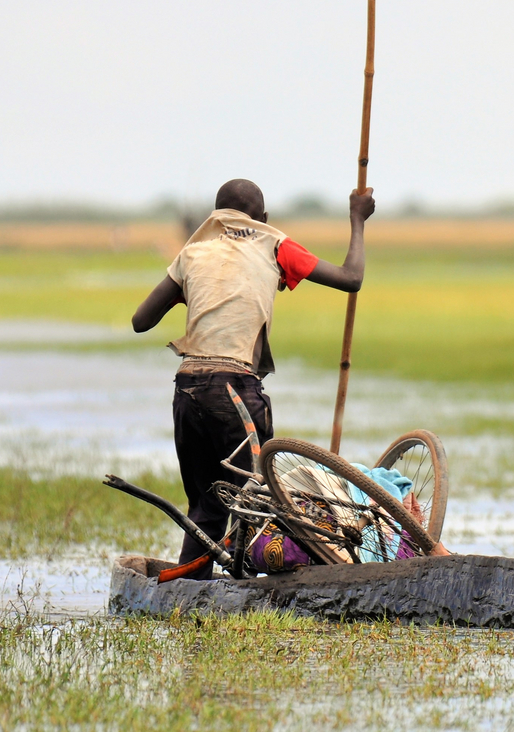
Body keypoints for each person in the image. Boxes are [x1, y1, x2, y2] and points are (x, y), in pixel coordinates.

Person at [132, 178, 372, 576]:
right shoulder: (276, 246)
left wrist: (193, 291)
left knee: (206, 506)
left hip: (188, 388)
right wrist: (357, 219)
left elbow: (141, 320)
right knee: (256, 500)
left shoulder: (194, 253)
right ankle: (248, 587)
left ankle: (189, 589)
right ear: (263, 219)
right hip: (234, 388)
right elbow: (352, 278)